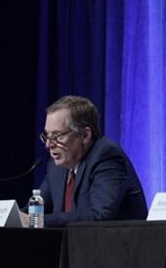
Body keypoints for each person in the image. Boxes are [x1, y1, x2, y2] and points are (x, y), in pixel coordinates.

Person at [28, 95, 147, 226]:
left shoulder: (107, 156)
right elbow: (33, 209)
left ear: (85, 135)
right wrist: (9, 216)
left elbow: (99, 216)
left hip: (114, 244)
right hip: (70, 244)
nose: (48, 144)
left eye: (57, 136)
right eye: (47, 136)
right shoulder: (58, 166)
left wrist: (37, 220)